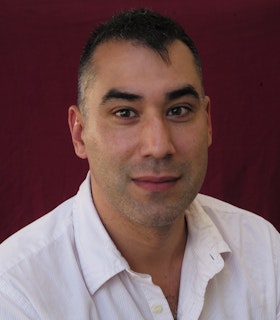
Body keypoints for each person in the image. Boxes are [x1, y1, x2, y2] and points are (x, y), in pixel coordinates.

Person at [0, 8, 279, 320]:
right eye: (125, 113)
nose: (158, 147)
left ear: (208, 122)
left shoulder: (264, 251)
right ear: (79, 134)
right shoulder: (16, 292)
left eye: (179, 110)